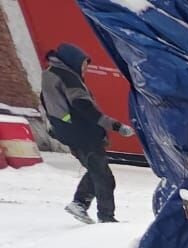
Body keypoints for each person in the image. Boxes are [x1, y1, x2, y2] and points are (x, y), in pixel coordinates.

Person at [39, 43, 134, 224]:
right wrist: (114, 125)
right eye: (83, 65)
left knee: (95, 172)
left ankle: (79, 204)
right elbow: (84, 106)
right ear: (73, 61)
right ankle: (106, 218)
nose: (84, 69)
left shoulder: (50, 75)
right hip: (82, 135)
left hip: (71, 134)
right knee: (104, 178)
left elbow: (47, 106)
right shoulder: (67, 76)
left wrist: (56, 128)